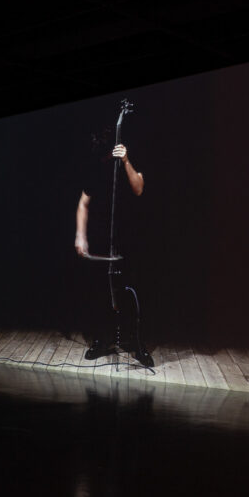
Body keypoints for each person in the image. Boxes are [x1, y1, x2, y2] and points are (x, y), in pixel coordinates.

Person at [74, 141, 155, 367]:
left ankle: (137, 343)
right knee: (100, 292)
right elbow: (83, 204)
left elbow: (138, 188)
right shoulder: (97, 170)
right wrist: (80, 235)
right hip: (103, 238)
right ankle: (102, 341)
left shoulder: (131, 159)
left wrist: (126, 161)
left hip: (130, 237)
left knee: (132, 292)